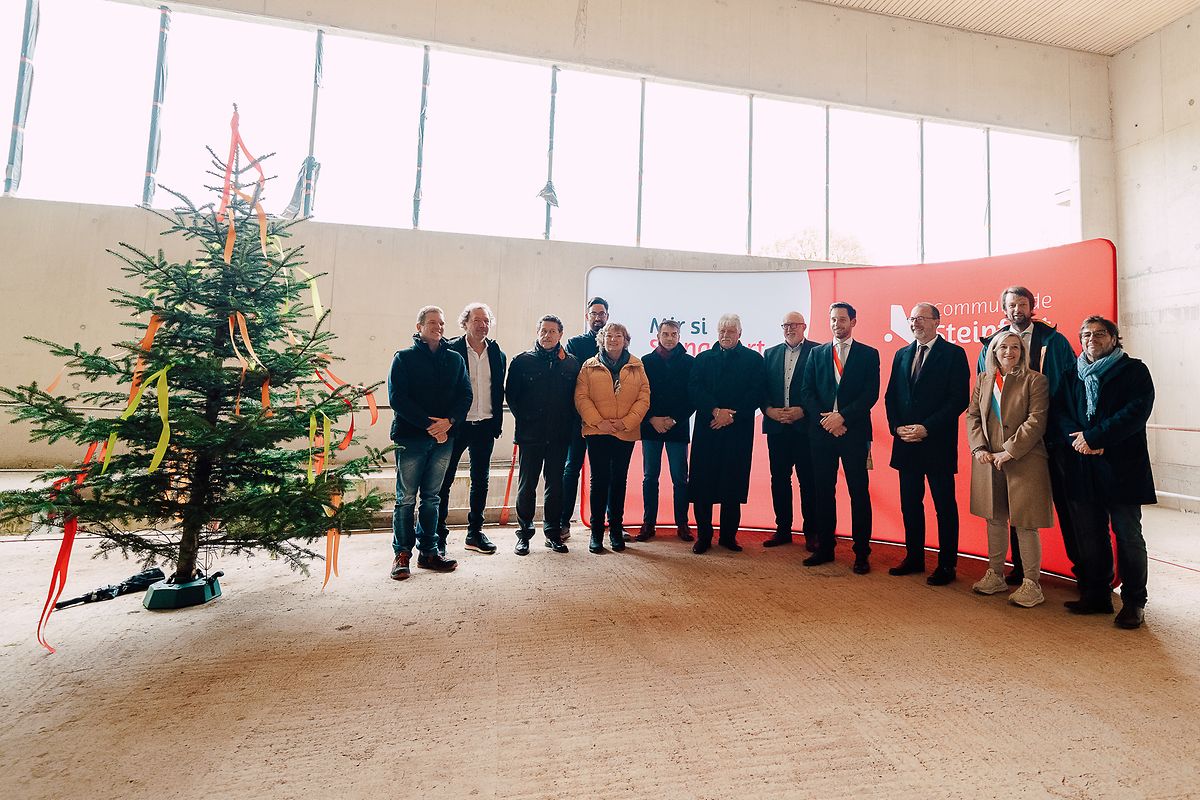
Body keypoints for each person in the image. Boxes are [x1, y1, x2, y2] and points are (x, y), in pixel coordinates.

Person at [1054, 316, 1155, 629]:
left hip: (1121, 466)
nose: (1091, 339)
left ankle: (1134, 602)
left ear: (1114, 338)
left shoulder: (1133, 370)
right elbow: (1060, 413)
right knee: (1090, 534)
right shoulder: (1071, 374)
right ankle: (1097, 594)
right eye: (1086, 334)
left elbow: (1136, 412)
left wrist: (1095, 438)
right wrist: (1080, 441)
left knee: (1128, 535)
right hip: (1082, 465)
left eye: (1099, 333)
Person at [977, 285, 1077, 586]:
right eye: (1011, 305)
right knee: (1010, 505)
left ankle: (1086, 574)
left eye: (1022, 304)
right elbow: (983, 398)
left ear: (1032, 307)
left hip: (1051, 437)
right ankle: (1020, 569)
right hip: (1007, 443)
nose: (1016, 310)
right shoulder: (992, 343)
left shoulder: (1054, 341)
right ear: (1004, 310)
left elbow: (1069, 387)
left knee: (1068, 506)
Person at [884, 303, 970, 585]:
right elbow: (891, 396)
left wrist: (927, 427)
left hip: (937, 443)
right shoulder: (902, 353)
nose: (915, 323)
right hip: (906, 442)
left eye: (921, 318)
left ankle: (947, 565)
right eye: (912, 319)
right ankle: (914, 557)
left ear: (937, 322)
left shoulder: (954, 354)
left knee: (944, 507)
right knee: (910, 504)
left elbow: (958, 399)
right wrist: (897, 427)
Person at [966, 332, 1053, 608]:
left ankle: (1032, 584)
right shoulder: (984, 379)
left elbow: (1036, 421)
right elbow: (972, 415)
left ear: (1022, 352)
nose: (1009, 351)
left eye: (1015, 347)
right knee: (994, 518)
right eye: (1003, 347)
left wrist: (1010, 451)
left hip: (1024, 459)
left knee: (1026, 523)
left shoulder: (1035, 380)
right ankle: (996, 575)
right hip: (988, 459)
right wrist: (978, 448)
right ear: (993, 351)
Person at [387, 305, 471, 580]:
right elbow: (397, 399)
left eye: (442, 323)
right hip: (411, 438)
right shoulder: (404, 358)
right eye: (433, 322)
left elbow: (465, 396)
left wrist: (449, 422)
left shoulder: (455, 359)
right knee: (406, 499)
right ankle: (402, 555)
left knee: (432, 498)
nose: (439, 327)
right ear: (419, 327)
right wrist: (429, 425)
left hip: (445, 438)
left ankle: (429, 552)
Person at [799, 302, 880, 573]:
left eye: (842, 319)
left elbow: (870, 394)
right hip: (822, 434)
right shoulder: (817, 353)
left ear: (853, 322)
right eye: (833, 319)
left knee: (859, 493)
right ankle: (825, 548)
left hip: (853, 433)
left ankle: (861, 553)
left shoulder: (868, 354)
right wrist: (827, 421)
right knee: (823, 492)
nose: (837, 324)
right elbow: (807, 391)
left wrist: (842, 418)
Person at [687, 314, 766, 554]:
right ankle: (704, 537)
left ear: (740, 333)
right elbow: (694, 388)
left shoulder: (754, 359)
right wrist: (715, 410)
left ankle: (728, 536)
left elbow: (757, 392)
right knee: (703, 485)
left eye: (731, 331)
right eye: (722, 330)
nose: (725, 335)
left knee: (733, 483)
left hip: (737, 429)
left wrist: (731, 416)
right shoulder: (702, 359)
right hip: (708, 428)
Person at [505, 314, 581, 555]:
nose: (547, 335)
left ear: (560, 334)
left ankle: (552, 533)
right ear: (537, 333)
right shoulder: (522, 361)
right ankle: (524, 534)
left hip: (560, 436)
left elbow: (575, 400)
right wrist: (527, 420)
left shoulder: (572, 364)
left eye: (552, 331)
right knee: (527, 485)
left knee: (555, 485)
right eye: (543, 331)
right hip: (531, 435)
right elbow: (512, 397)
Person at [436, 302, 507, 556]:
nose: (482, 325)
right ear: (465, 323)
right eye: (477, 320)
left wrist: (497, 422)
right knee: (444, 481)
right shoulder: (450, 349)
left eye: (486, 321)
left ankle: (475, 533)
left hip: (485, 424)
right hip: (456, 425)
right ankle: (438, 535)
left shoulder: (497, 354)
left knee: (481, 481)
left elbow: (497, 390)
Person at [575, 322, 651, 553]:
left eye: (618, 335)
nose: (613, 339)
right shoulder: (588, 366)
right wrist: (599, 422)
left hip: (625, 432)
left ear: (625, 340)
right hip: (597, 431)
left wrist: (625, 423)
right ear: (601, 339)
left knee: (619, 480)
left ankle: (616, 530)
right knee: (599, 481)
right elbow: (581, 397)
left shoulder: (637, 365)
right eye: (608, 335)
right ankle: (597, 533)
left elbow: (644, 397)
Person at [761, 311, 818, 551]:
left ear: (804, 326)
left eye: (794, 324)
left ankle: (812, 533)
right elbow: (762, 388)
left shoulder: (818, 351)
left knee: (808, 481)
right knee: (779, 480)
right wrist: (768, 410)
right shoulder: (770, 354)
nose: (789, 328)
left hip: (805, 428)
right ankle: (782, 529)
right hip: (777, 428)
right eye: (785, 325)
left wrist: (803, 411)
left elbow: (820, 388)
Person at [638, 319, 696, 542]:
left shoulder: (689, 362)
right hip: (651, 426)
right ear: (658, 336)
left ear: (679, 336)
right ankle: (648, 523)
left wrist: (674, 419)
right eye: (665, 334)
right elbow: (640, 395)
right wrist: (651, 418)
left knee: (680, 479)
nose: (669, 338)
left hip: (677, 427)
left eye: (673, 334)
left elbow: (692, 397)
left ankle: (682, 523)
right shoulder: (646, 361)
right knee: (650, 477)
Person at [560, 297, 611, 539]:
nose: (598, 318)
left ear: (607, 316)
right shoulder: (575, 343)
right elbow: (573, 380)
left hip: (606, 421)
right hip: (578, 420)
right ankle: (563, 522)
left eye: (602, 314)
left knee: (604, 472)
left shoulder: (614, 343)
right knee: (572, 469)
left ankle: (611, 521)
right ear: (587, 316)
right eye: (594, 313)